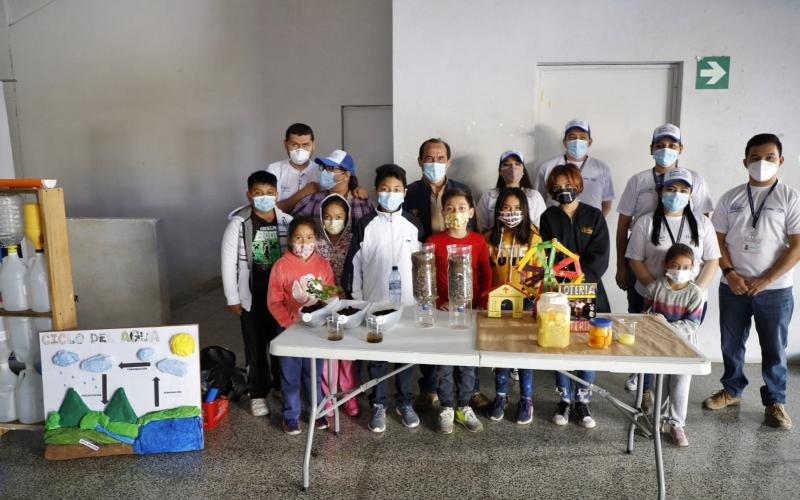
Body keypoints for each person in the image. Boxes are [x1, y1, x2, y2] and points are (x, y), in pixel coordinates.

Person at [704, 133, 800, 430]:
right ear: (745, 162)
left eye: (769, 157)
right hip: (733, 285)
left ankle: (775, 402)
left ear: (780, 160)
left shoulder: (790, 197)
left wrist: (766, 279)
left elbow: (797, 246)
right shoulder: (730, 198)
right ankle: (732, 390)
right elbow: (716, 241)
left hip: (775, 289)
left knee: (774, 348)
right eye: (755, 158)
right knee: (731, 343)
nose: (762, 163)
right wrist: (730, 273)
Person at [615, 123, 714, 392]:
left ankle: (671, 393)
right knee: (643, 333)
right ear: (651, 149)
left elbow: (706, 239)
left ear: (681, 148)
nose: (666, 150)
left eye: (672, 145)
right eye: (660, 145)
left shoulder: (695, 180)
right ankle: (644, 383)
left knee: (680, 340)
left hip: (687, 286)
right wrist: (625, 269)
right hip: (646, 272)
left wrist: (693, 289)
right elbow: (624, 227)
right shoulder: (639, 182)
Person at [625, 168, 720, 408]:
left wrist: (693, 292)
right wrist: (657, 290)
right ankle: (646, 390)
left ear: (690, 194)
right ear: (661, 191)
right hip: (652, 298)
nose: (676, 194)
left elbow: (712, 260)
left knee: (680, 350)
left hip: (689, 304)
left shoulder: (702, 223)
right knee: (647, 347)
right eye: (671, 189)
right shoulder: (646, 222)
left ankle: (670, 409)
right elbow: (635, 259)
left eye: (683, 190)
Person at [342, 164, 424, 433]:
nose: (391, 194)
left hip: (407, 304)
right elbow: (354, 264)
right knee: (377, 358)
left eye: (397, 189)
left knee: (405, 356)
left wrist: (422, 299)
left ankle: (405, 402)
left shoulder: (413, 224)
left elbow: (422, 264)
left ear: (405, 192)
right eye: (386, 189)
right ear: (377, 190)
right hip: (374, 303)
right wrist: (358, 300)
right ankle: (378, 403)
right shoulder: (365, 224)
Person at [403, 137, 480, 410]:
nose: (434, 163)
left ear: (448, 161)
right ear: (420, 161)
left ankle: (471, 390)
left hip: (458, 265)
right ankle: (429, 388)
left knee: (465, 333)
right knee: (430, 330)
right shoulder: (409, 193)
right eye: (428, 158)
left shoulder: (462, 190)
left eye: (440, 158)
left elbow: (473, 233)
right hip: (427, 263)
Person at [539, 164, 610, 429]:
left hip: (588, 290)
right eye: (557, 187)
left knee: (586, 344)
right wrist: (560, 279)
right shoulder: (548, 217)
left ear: (578, 185)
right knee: (559, 343)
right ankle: (564, 399)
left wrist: (579, 278)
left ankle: (583, 399)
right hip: (558, 293)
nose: (563, 190)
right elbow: (546, 253)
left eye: (568, 185)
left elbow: (600, 256)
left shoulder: (594, 216)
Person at [221, 170, 292, 417]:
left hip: (280, 298)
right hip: (252, 296)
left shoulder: (287, 222)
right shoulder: (238, 224)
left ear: (277, 194)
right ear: (249, 195)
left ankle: (281, 386)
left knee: (281, 343)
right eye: (259, 193)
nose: (264, 197)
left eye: (269, 193)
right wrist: (232, 297)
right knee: (255, 345)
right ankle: (257, 392)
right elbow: (228, 263)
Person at [426, 188, 491, 433]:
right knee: (444, 363)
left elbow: (486, 273)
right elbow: (427, 277)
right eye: (450, 208)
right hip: (444, 314)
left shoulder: (478, 241)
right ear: (442, 212)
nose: (456, 213)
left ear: (471, 213)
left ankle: (464, 405)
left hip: (470, 312)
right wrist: (437, 301)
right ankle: (446, 407)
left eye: (461, 208)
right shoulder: (434, 242)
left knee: (467, 362)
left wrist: (482, 301)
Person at [267, 216, 336, 435]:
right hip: (289, 330)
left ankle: (317, 411)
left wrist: (330, 307)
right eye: (298, 238)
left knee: (314, 374)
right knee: (290, 375)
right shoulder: (281, 266)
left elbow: (330, 292)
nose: (304, 243)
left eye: (309, 237)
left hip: (316, 330)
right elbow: (274, 301)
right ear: (290, 239)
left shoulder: (323, 264)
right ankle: (290, 415)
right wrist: (289, 324)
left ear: (316, 239)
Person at [484, 187, 542, 424]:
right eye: (506, 208)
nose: (511, 213)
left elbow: (540, 273)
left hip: (525, 302)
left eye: (517, 208)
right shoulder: (489, 238)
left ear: (525, 211)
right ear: (498, 210)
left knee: (523, 352)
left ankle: (526, 399)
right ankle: (501, 396)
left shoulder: (533, 237)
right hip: (497, 302)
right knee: (501, 351)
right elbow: (484, 270)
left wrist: (535, 298)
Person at [643, 243, 705, 446]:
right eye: (676, 266)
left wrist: (665, 325)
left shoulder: (695, 294)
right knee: (658, 385)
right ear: (666, 264)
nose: (680, 271)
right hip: (659, 347)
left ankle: (677, 424)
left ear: (692, 268)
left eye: (686, 267)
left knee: (679, 386)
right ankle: (656, 420)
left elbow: (692, 324)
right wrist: (654, 322)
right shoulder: (654, 289)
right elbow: (646, 317)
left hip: (684, 349)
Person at [315, 193, 360, 418]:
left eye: (339, 216)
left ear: (347, 217)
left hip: (348, 304)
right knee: (326, 354)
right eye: (328, 216)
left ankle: (349, 397)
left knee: (347, 355)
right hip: (322, 305)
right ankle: (328, 398)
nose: (333, 221)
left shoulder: (353, 240)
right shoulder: (315, 242)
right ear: (321, 217)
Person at [534, 119, 615, 216]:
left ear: (590, 142)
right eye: (572, 137)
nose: (577, 141)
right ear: (564, 142)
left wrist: (596, 222)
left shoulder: (602, 169)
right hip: (555, 223)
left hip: (590, 223)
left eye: (582, 137)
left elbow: (606, 204)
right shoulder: (547, 168)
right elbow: (537, 203)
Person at [291, 149, 374, 229]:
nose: (324, 172)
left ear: (346, 175)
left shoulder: (363, 204)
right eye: (324, 168)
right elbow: (292, 227)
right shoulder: (311, 200)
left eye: (330, 168)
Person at [476, 150, 547, 230]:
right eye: (507, 164)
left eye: (517, 164)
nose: (513, 168)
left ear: (523, 170)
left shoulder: (534, 196)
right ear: (500, 171)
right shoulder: (489, 196)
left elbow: (542, 227)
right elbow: (481, 226)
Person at [267, 123, 321, 213]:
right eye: (294, 145)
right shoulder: (274, 169)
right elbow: (268, 209)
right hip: (281, 221)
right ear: (286, 144)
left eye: (305, 145)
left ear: (313, 145)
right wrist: (303, 193)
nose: (300, 150)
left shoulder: (321, 171)